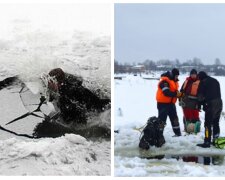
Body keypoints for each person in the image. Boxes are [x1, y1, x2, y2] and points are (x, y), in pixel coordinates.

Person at [45, 68, 110, 124]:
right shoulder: (67, 81)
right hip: (95, 98)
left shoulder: (66, 94)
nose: (48, 83)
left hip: (98, 106)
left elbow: (76, 119)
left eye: (50, 81)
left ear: (57, 82)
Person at [196, 71, 223, 148]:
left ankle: (207, 141)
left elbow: (200, 96)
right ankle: (216, 140)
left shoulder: (202, 82)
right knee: (216, 122)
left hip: (211, 104)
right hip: (219, 102)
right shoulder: (215, 80)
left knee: (207, 124)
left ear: (200, 77)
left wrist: (199, 104)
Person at [156, 68, 183, 137]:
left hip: (171, 104)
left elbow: (174, 91)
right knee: (162, 120)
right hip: (163, 104)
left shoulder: (174, 81)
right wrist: (176, 94)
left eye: (178, 76)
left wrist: (179, 95)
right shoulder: (164, 81)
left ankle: (178, 133)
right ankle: (159, 135)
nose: (177, 77)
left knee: (174, 119)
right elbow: (166, 92)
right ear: (172, 74)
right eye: (176, 76)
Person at [180, 69, 201, 133]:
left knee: (195, 114)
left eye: (194, 74)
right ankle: (186, 128)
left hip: (195, 101)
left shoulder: (200, 81)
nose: (193, 76)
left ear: (196, 75)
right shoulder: (187, 81)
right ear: (190, 75)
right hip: (186, 100)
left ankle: (196, 128)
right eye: (192, 74)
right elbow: (182, 90)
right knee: (186, 114)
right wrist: (180, 98)